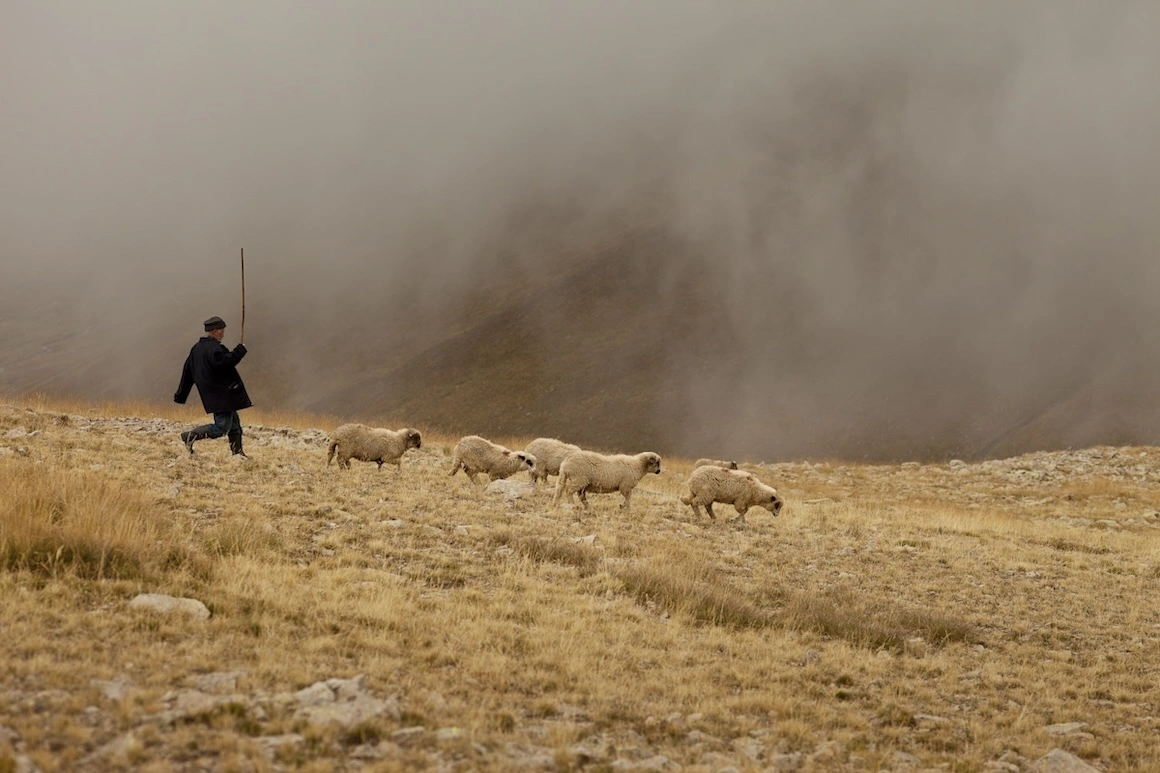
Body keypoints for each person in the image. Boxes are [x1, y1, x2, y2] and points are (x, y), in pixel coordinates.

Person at [173, 315, 252, 456]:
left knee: (234, 425)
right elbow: (224, 364)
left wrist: (181, 395)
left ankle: (238, 454)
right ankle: (190, 436)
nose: (223, 334)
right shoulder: (214, 349)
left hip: (216, 394)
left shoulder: (196, 349)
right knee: (221, 428)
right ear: (216, 331)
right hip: (222, 394)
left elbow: (187, 373)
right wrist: (239, 352)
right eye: (222, 330)